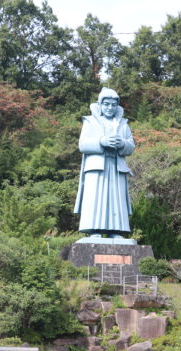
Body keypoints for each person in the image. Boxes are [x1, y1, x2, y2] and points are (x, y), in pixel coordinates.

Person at [74, 87, 135, 238]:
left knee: (116, 199)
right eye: (106, 104)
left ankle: (116, 231)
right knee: (95, 199)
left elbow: (131, 146)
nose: (110, 108)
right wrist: (102, 141)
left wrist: (122, 144)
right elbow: (82, 145)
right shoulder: (90, 121)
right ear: (100, 105)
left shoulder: (123, 124)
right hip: (96, 168)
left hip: (116, 167)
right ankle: (94, 230)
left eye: (113, 105)